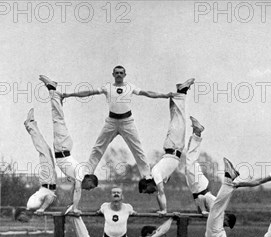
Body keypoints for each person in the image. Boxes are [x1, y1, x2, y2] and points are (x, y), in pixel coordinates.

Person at [61, 66, 173, 181]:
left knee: (137, 149)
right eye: (117, 73)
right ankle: (87, 174)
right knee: (98, 148)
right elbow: (89, 92)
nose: (119, 75)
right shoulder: (107, 87)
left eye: (121, 73)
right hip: (111, 122)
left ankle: (147, 176)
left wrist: (164, 95)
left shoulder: (130, 87)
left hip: (127, 121)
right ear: (113, 74)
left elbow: (147, 93)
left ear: (125, 75)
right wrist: (69, 94)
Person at [36, 75, 98, 215]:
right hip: (63, 147)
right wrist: (75, 207)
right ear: (89, 179)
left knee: (59, 120)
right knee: (57, 119)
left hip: (62, 148)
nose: (88, 189)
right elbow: (77, 190)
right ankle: (53, 90)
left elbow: (76, 190)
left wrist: (72, 205)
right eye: (90, 187)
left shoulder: (78, 176)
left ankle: (57, 98)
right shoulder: (82, 174)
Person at [140, 78, 196, 214]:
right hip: (174, 148)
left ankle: (181, 92)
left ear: (147, 184)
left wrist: (163, 210)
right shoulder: (159, 175)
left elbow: (161, 192)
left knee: (179, 119)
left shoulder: (155, 175)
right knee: (177, 118)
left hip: (173, 146)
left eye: (146, 191)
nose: (149, 194)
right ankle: (180, 92)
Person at [17, 108, 58, 222]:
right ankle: (32, 124)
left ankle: (29, 125)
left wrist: (42, 209)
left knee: (43, 150)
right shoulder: (32, 207)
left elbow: (50, 196)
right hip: (49, 181)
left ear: (23, 212)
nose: (27, 218)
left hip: (48, 181)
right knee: (46, 149)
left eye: (24, 217)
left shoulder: (33, 205)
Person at [184, 116, 216, 215]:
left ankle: (195, 132)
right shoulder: (213, 205)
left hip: (198, 187)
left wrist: (202, 210)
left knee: (190, 161)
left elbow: (200, 200)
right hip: (200, 187)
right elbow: (202, 197)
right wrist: (203, 211)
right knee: (190, 162)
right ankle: (197, 132)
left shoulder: (212, 206)